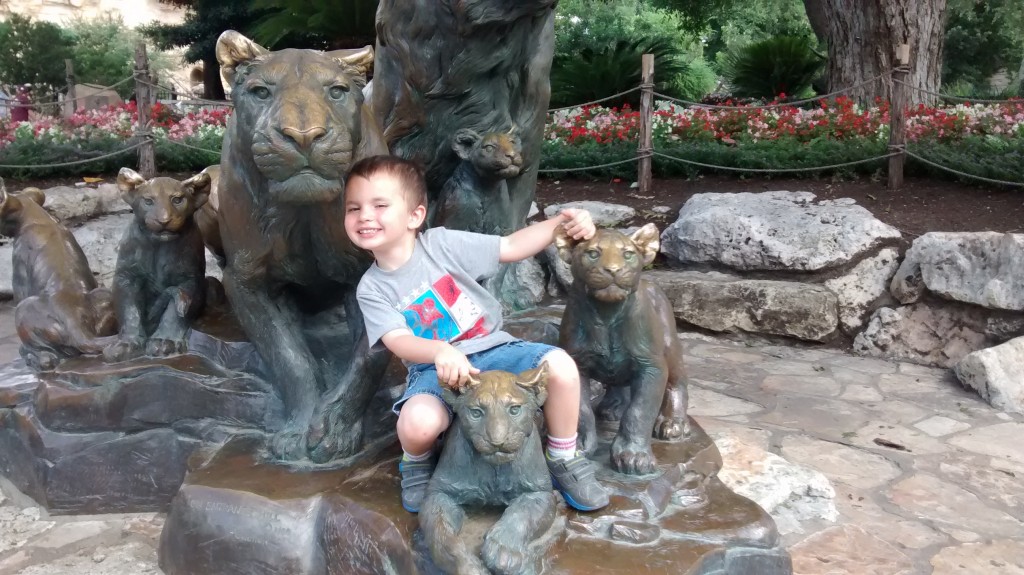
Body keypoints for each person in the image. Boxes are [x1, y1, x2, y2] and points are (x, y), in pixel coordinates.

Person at [344, 155, 610, 514]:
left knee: (561, 366)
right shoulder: (372, 288)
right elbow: (397, 341)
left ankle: (563, 455)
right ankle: (416, 463)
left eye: (379, 205)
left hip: (496, 350)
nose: (364, 216)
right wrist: (439, 352)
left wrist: (560, 224)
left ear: (414, 216)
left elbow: (509, 247)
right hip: (433, 370)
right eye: (354, 208)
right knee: (417, 424)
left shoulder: (440, 245)